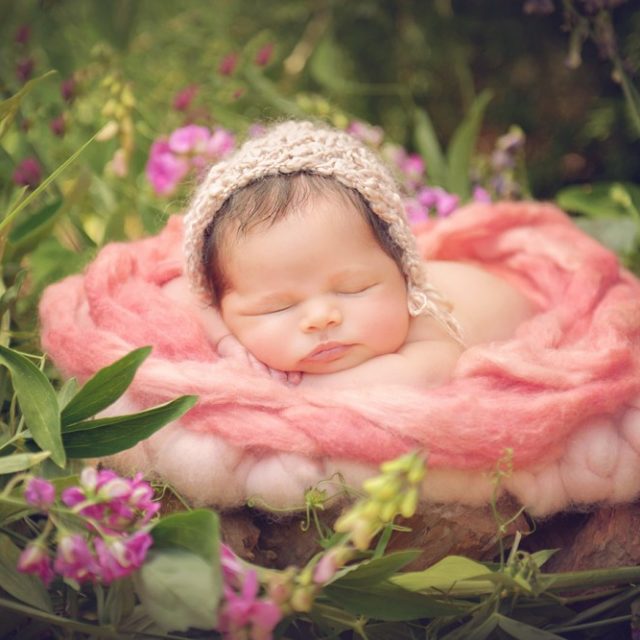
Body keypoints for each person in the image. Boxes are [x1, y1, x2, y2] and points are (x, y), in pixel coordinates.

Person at [167, 120, 534, 389]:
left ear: (404, 273)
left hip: (517, 316)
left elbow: (418, 378)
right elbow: (184, 294)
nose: (322, 317)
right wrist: (225, 342)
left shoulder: (424, 331)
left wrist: (292, 391)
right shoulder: (219, 292)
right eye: (275, 307)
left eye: (354, 288)